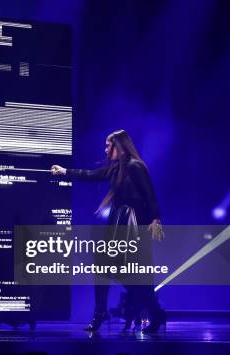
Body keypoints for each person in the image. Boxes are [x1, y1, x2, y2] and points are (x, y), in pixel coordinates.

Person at [51, 130, 165, 333]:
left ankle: (153, 312)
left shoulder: (134, 166)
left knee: (130, 274)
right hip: (118, 222)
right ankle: (103, 311)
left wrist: (155, 219)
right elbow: (90, 175)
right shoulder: (115, 168)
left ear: (119, 146)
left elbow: (150, 195)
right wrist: (65, 171)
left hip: (132, 224)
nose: (105, 149)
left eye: (108, 145)